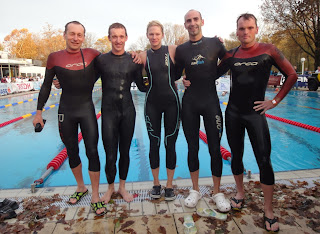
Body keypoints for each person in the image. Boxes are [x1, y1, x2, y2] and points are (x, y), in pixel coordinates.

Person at [216, 13, 297, 232]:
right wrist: (191, 76)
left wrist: (274, 101)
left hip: (255, 115)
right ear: (237, 31)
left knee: (264, 159)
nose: (245, 32)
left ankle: (268, 209)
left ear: (256, 29)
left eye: (249, 28)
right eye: (241, 29)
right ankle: (240, 192)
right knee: (236, 155)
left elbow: (292, 74)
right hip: (233, 113)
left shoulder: (269, 50)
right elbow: (210, 73)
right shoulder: (231, 54)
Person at [33, 21, 106, 216]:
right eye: (72, 34)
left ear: (84, 37)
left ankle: (96, 195)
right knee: (72, 151)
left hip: (87, 109)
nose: (75, 38)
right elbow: (47, 85)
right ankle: (81, 187)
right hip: (66, 111)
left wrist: (137, 55)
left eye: (79, 35)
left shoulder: (93, 54)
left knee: (92, 151)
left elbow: (113, 63)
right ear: (64, 34)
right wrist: (38, 112)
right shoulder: (54, 58)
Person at [175, 9, 231, 212]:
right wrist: (181, 80)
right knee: (192, 148)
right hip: (190, 103)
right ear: (185, 25)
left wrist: (213, 75)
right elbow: (173, 71)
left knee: (215, 147)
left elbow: (228, 61)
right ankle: (195, 190)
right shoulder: (181, 50)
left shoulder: (215, 43)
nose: (192, 23)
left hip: (211, 103)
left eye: (195, 19)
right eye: (188, 20)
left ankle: (217, 192)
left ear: (202, 21)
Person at [96, 23, 147, 204]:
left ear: (126, 38)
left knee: (124, 152)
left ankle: (122, 187)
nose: (118, 40)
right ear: (109, 38)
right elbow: (85, 80)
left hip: (127, 111)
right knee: (110, 154)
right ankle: (110, 189)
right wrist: (62, 82)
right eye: (114, 36)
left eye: (121, 36)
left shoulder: (133, 61)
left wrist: (146, 66)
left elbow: (142, 87)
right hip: (108, 112)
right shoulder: (101, 60)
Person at [138, 21, 180, 201]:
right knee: (154, 143)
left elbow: (194, 59)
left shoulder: (172, 49)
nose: (154, 37)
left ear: (162, 35)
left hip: (172, 104)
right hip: (151, 104)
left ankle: (169, 185)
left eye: (157, 34)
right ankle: (156, 183)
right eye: (151, 34)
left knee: (170, 143)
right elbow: (139, 83)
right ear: (147, 35)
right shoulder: (142, 55)